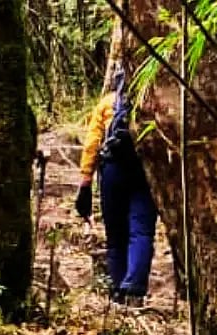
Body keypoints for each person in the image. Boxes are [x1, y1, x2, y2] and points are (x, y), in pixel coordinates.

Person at [76, 68, 158, 306]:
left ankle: (117, 291)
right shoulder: (153, 103)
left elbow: (92, 143)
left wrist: (85, 180)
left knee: (115, 236)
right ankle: (134, 288)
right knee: (142, 231)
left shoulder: (108, 103)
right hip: (145, 171)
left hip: (112, 170)